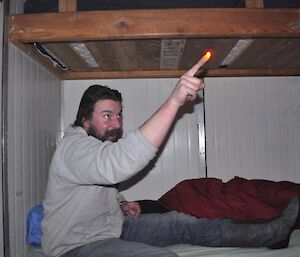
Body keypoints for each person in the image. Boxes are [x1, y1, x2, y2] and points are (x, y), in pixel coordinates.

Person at [42, 60, 300, 257]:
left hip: (113, 227)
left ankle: (270, 233)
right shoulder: (73, 148)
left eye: (119, 116)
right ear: (85, 118)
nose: (116, 124)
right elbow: (116, 164)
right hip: (76, 247)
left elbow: (94, 182)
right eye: (107, 116)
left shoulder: (93, 147)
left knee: (179, 222)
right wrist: (174, 101)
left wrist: (119, 202)